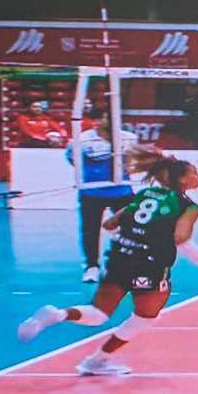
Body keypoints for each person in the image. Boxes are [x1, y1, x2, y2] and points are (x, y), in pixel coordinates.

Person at [18, 149, 198, 375]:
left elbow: (110, 224)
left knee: (98, 313)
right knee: (145, 318)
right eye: (195, 173)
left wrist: (133, 239)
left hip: (118, 257)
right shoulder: (188, 206)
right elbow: (180, 238)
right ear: (182, 179)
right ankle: (97, 360)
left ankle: (59, 314)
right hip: (149, 266)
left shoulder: (146, 194)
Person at [65, 106, 140, 283]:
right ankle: (92, 266)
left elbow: (132, 161)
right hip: (92, 193)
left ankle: (130, 264)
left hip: (122, 191)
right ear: (96, 121)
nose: (113, 121)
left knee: (132, 228)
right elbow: (72, 159)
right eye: (108, 118)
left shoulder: (128, 138)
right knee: (90, 229)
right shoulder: (81, 140)